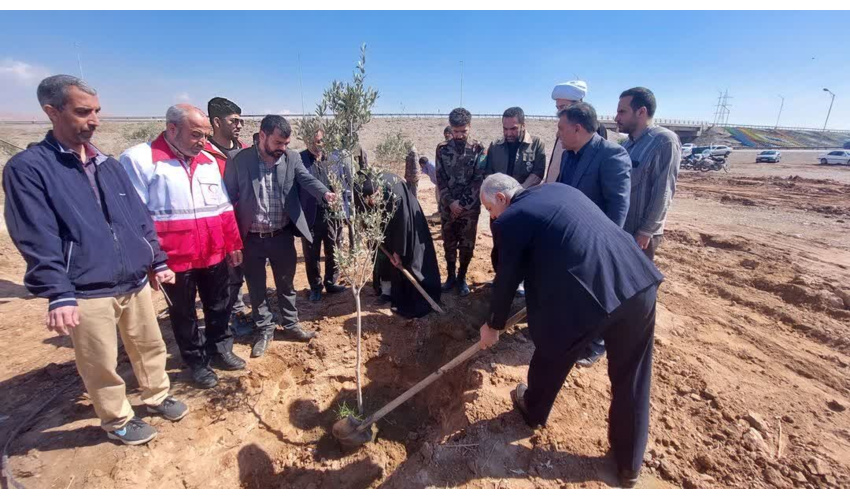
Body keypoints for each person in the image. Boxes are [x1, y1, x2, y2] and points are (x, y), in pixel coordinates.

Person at [3, 75, 188, 445]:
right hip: (86, 288)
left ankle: (156, 394)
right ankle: (117, 419)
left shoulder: (108, 164)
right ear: (51, 112)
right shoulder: (30, 169)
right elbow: (36, 237)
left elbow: (138, 217)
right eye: (83, 111)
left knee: (149, 344)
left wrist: (157, 260)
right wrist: (59, 292)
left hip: (133, 280)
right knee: (100, 361)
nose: (95, 120)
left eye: (97, 111)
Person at [478, 174, 663, 488]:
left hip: (589, 298)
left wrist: (493, 325)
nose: (491, 218)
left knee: (552, 346)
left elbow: (507, 279)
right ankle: (629, 466)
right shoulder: (559, 190)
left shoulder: (511, 218)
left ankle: (534, 409)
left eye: (489, 210)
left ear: (501, 199)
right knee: (632, 378)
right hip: (637, 281)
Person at [121, 104, 246, 389]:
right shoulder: (141, 160)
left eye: (205, 135)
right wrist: (151, 261)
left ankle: (220, 348)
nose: (202, 142)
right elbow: (133, 216)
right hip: (173, 260)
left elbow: (223, 206)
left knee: (219, 304)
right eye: (196, 135)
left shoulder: (207, 161)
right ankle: (196, 361)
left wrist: (232, 243)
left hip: (213, 251)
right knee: (184, 313)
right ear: (172, 128)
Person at [224, 115, 336, 358]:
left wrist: (324, 193)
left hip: (282, 234)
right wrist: (231, 239)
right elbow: (228, 199)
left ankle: (291, 323)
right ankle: (264, 329)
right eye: (278, 143)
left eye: (286, 144)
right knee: (256, 287)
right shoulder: (239, 161)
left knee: (286, 284)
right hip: (251, 238)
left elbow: (306, 179)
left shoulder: (291, 157)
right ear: (262, 136)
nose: (282, 149)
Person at [484, 106, 547, 297]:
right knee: (499, 243)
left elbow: (538, 173)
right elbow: (488, 174)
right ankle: (500, 276)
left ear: (522, 125)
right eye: (505, 129)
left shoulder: (536, 144)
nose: (508, 133)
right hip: (499, 206)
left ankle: (519, 281)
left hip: (523, 204)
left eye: (513, 128)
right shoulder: (495, 146)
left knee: (521, 245)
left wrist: (517, 193)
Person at [361, 171, 442, 318]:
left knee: (407, 259)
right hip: (386, 224)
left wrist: (398, 252)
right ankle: (387, 289)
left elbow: (401, 225)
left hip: (407, 223)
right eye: (368, 201)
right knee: (382, 256)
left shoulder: (394, 194)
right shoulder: (365, 190)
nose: (371, 203)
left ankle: (407, 291)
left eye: (373, 199)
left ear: (379, 191)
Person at [615, 87, 681, 261]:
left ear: (641, 111)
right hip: (623, 230)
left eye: (622, 112)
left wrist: (646, 231)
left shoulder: (664, 141)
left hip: (641, 236)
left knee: (637, 284)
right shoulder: (627, 145)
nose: (616, 118)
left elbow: (664, 191)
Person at [204, 97, 251, 336]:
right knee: (225, 276)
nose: (239, 125)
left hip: (245, 224)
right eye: (234, 120)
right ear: (216, 122)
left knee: (242, 271)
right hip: (218, 227)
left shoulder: (243, 150)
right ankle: (231, 315)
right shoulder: (204, 154)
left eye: (241, 120)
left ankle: (238, 310)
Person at [435, 108, 486, 297]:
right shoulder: (442, 148)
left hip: (469, 208)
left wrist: (462, 204)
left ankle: (462, 277)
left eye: (463, 131)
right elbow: (440, 177)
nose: (459, 135)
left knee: (466, 244)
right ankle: (450, 277)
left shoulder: (479, 149)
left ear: (469, 127)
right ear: (450, 128)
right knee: (449, 242)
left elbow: (478, 179)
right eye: (456, 131)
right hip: (448, 207)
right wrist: (451, 203)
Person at [554, 103, 631, 227]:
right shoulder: (567, 155)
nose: (558, 134)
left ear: (577, 129)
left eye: (561, 128)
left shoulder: (611, 155)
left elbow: (617, 206)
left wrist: (608, 241)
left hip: (594, 236)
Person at [299, 127, 347, 302]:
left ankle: (331, 282)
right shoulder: (300, 159)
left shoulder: (332, 161)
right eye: (313, 141)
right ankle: (315, 287)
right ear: (306, 142)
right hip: (309, 215)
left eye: (319, 141)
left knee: (333, 248)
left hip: (331, 214)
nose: (317, 145)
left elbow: (341, 184)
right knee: (311, 253)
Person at [544, 80, 609, 184]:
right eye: (558, 108)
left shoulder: (596, 128)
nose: (559, 112)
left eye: (563, 107)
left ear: (579, 105)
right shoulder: (562, 127)